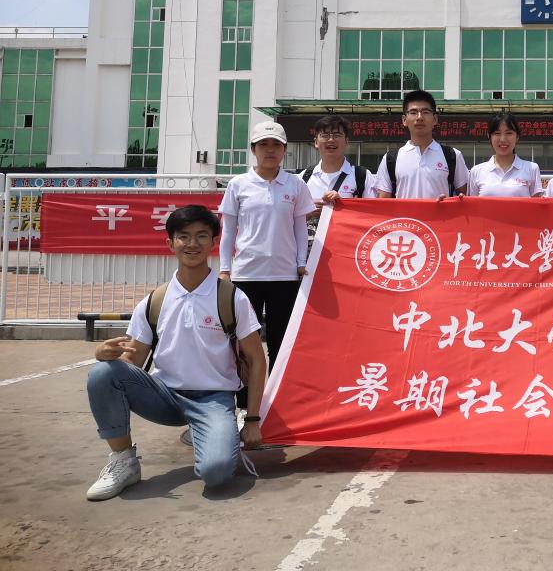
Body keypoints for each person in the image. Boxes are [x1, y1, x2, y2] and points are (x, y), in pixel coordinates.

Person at [84, 205, 266, 501]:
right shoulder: (155, 301)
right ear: (170, 243)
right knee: (103, 373)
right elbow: (132, 361)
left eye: (201, 236)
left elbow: (257, 359)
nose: (192, 244)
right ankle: (123, 461)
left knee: (216, 473)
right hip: (164, 396)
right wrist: (103, 353)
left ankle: (207, 430)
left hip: (213, 399)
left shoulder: (232, 298)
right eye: (184, 236)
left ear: (213, 242)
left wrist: (253, 419)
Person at [219, 120, 315, 371]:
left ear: (284, 149)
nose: (270, 150)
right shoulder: (238, 184)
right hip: (246, 274)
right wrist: (225, 269)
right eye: (263, 144)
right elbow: (228, 230)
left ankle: (274, 392)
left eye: (276, 144)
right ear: (253, 149)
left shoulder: (295, 184)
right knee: (244, 341)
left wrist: (300, 263)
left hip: (284, 275)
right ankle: (244, 393)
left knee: (279, 340)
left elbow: (300, 227)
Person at [375, 90, 470, 199]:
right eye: (413, 112)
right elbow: (384, 201)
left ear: (435, 119)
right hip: (404, 212)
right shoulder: (390, 159)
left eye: (425, 112)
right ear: (404, 120)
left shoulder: (452, 156)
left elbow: (465, 197)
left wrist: (450, 202)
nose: (419, 117)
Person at [298, 115, 376, 240]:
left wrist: (343, 208)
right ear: (316, 142)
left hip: (348, 246)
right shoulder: (303, 178)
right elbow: (288, 218)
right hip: (310, 249)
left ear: (346, 141)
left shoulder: (362, 176)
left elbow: (374, 217)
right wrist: (307, 213)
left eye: (337, 135)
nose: (331, 140)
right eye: (325, 135)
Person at [467, 111, 543, 197]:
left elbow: (536, 204)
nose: (503, 139)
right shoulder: (476, 171)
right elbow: (472, 204)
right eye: (497, 133)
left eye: (509, 133)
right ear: (489, 136)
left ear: (517, 137)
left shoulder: (531, 168)